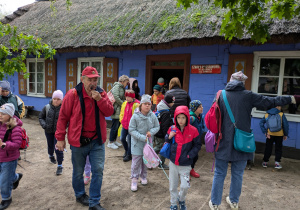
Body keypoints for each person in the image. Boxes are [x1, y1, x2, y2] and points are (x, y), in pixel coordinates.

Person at [208, 71, 295, 210]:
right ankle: (234, 201)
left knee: (219, 173)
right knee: (238, 174)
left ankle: (215, 203)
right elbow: (270, 101)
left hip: (222, 141)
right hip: (242, 141)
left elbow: (214, 117)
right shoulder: (248, 96)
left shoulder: (220, 95)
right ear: (242, 83)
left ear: (230, 81)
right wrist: (290, 98)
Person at [55, 66, 114, 210]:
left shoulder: (101, 93)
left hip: (96, 141)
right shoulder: (73, 94)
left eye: (95, 79)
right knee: (78, 172)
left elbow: (109, 111)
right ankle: (80, 194)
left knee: (98, 171)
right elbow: (63, 117)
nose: (92, 83)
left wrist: (100, 100)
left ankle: (94, 202)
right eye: (89, 79)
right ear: (82, 79)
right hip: (78, 141)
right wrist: (60, 138)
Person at [166, 105, 201, 210]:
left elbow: (198, 145)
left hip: (186, 164)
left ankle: (181, 199)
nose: (181, 120)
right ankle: (173, 203)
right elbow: (166, 141)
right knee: (172, 186)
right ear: (175, 118)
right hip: (173, 163)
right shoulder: (172, 128)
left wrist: (190, 155)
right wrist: (169, 136)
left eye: (183, 117)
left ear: (187, 118)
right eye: (178, 117)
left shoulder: (193, 130)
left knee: (185, 186)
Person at [128, 94, 160, 192]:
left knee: (145, 161)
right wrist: (142, 137)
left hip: (148, 144)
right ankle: (134, 179)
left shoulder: (152, 115)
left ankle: (143, 176)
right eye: (145, 104)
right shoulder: (135, 116)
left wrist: (151, 132)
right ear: (141, 105)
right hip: (137, 144)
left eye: (149, 104)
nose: (147, 106)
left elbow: (157, 126)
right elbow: (131, 130)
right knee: (136, 162)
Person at [0, 103, 23, 209]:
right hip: (0, 157)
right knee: (5, 177)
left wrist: (4, 145)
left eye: (3, 114)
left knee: (4, 181)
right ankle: (16, 177)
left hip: (9, 159)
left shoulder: (15, 128)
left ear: (9, 115)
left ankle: (6, 198)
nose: (0, 115)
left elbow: (17, 144)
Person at [39, 90, 64, 175]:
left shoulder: (64, 109)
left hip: (59, 133)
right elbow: (41, 117)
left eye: (58, 99)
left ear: (61, 100)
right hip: (48, 131)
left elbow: (67, 120)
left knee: (58, 148)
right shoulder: (47, 107)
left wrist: (64, 127)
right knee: (50, 145)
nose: (56, 101)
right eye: (54, 99)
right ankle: (51, 155)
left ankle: (60, 165)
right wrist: (44, 125)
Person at [153, 94, 175, 170]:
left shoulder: (161, 110)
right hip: (162, 134)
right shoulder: (166, 113)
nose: (173, 104)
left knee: (160, 147)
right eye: (172, 102)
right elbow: (165, 126)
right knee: (161, 148)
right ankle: (149, 159)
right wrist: (167, 135)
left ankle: (158, 162)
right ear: (168, 103)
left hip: (158, 133)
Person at [107, 75, 130, 150]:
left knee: (117, 126)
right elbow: (116, 97)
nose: (127, 84)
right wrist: (123, 103)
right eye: (126, 82)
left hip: (119, 109)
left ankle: (114, 140)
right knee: (114, 126)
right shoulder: (117, 86)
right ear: (123, 81)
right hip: (116, 109)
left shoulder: (121, 88)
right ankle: (110, 142)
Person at [119, 90, 140, 162]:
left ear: (132, 97)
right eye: (126, 96)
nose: (127, 98)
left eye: (128, 97)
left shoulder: (137, 105)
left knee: (130, 141)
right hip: (124, 125)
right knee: (122, 138)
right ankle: (126, 150)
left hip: (132, 127)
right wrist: (121, 120)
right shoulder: (124, 103)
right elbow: (122, 113)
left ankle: (129, 155)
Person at [189, 100, 205, 178]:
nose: (202, 108)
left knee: (195, 156)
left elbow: (202, 127)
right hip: (190, 141)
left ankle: (191, 169)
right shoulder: (190, 118)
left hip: (197, 140)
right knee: (190, 156)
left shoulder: (200, 117)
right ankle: (185, 171)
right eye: (199, 107)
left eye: (201, 106)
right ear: (194, 108)